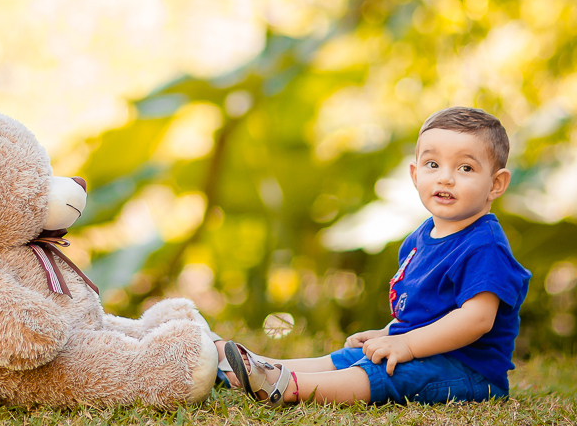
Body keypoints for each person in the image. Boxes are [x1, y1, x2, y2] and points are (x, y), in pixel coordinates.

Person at [222, 106, 531, 406]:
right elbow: (423, 312)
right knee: (349, 358)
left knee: (388, 373)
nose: (445, 178)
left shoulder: (484, 246)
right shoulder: (420, 238)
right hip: (428, 353)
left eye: (465, 168)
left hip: (467, 370)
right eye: (432, 165)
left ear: (496, 184)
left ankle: (286, 386)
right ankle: (254, 367)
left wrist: (406, 344)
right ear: (414, 174)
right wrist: (388, 333)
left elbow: (476, 319)